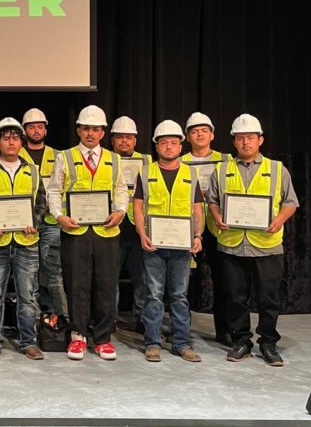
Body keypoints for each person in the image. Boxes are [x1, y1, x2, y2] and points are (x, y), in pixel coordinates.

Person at [207, 113, 299, 367]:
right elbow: (212, 200)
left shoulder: (277, 169)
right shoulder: (222, 169)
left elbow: (291, 202)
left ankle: (268, 342)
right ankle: (241, 341)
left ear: (260, 140)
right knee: (235, 297)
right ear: (234, 142)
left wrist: (279, 220)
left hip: (266, 245)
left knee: (268, 298)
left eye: (250, 137)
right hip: (232, 243)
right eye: (240, 138)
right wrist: (216, 216)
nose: (245, 142)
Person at [46, 105, 129, 361]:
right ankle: (78, 336)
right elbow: (53, 191)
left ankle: (103, 338)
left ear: (103, 132)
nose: (90, 133)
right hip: (75, 230)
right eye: (86, 128)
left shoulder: (114, 159)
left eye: (96, 129)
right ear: (79, 130)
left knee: (105, 284)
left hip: (106, 231)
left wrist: (120, 212)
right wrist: (59, 216)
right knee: (77, 284)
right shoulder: (65, 157)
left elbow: (121, 190)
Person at [0, 117, 48, 361]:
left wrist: (34, 222)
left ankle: (28, 341)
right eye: (6, 138)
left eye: (15, 138)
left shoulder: (32, 171)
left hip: (26, 242)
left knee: (28, 295)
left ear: (22, 142)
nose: (11, 142)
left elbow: (41, 203)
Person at [132, 120, 204, 363]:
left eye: (173, 143)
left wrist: (197, 235)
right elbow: (138, 207)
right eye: (164, 143)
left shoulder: (190, 173)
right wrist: (142, 234)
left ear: (181, 146)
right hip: (154, 244)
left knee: (179, 295)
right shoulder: (145, 172)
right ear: (157, 146)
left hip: (182, 247)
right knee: (153, 294)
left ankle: (181, 343)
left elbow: (197, 209)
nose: (169, 147)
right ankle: (153, 342)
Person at [180, 111, 232, 345]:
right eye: (194, 131)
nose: (199, 135)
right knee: (184, 281)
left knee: (224, 280)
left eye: (204, 131)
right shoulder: (179, 162)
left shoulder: (226, 160)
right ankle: (181, 329)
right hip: (187, 228)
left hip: (220, 227)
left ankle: (225, 329)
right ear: (188, 137)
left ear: (212, 134)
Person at [19, 108, 67, 318]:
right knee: (29, 273)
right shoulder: (14, 155)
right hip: (25, 223)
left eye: (40, 126)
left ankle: (63, 318)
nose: (36, 131)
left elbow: (64, 188)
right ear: (24, 130)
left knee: (54, 272)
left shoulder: (58, 156)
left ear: (46, 130)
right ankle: (35, 318)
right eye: (31, 127)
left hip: (51, 222)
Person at [109, 115, 151, 334]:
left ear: (135, 140)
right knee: (110, 278)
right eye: (119, 137)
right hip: (111, 227)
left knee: (141, 278)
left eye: (128, 137)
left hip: (138, 229)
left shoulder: (147, 161)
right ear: (113, 140)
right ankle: (111, 318)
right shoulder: (104, 160)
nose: (124, 141)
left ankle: (142, 318)